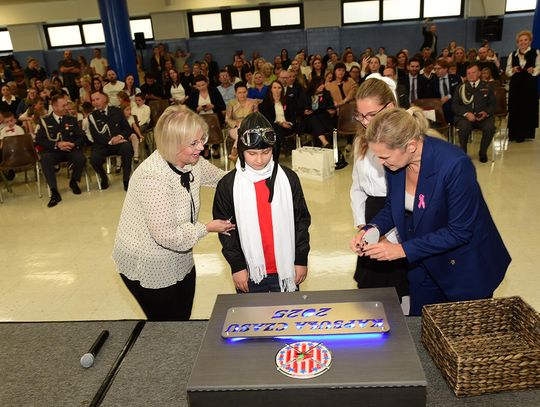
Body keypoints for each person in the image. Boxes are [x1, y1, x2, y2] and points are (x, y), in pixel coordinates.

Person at [350, 107, 510, 315]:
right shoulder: (395, 163)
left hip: (465, 267)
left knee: (463, 329)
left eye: (384, 156)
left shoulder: (455, 165)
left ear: (410, 146)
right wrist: (371, 229)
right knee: (423, 323)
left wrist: (401, 250)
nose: (380, 162)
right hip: (423, 261)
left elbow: (459, 232)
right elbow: (393, 206)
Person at [113, 105, 234, 320]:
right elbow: (167, 236)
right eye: (194, 143)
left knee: (182, 317)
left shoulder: (193, 161)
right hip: (148, 261)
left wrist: (247, 163)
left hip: (180, 252)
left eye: (202, 139)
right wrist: (207, 228)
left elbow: (222, 179)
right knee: (167, 324)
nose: (201, 147)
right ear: (172, 143)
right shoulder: (153, 177)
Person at [213, 112, 310, 293]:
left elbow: (301, 222)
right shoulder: (228, 185)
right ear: (241, 150)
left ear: (274, 149)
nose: (259, 160)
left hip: (286, 268)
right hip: (250, 271)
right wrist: (237, 266)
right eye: (252, 153)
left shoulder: (289, 178)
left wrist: (301, 259)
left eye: (266, 152)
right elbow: (226, 231)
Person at [350, 77, 409, 311]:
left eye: (371, 115)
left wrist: (389, 238)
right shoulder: (360, 141)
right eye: (360, 116)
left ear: (390, 107)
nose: (365, 122)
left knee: (400, 286)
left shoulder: (404, 142)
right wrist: (362, 225)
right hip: (373, 214)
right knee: (371, 286)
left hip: (399, 215)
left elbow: (406, 198)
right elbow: (356, 186)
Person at [35, 95, 87, 207]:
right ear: (54, 107)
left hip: (69, 149)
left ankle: (74, 181)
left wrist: (74, 144)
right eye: (63, 105)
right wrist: (57, 144)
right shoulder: (44, 121)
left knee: (80, 158)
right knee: (45, 159)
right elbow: (39, 140)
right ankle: (54, 191)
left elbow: (81, 137)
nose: (66, 107)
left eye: (66, 105)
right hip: (52, 151)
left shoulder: (71, 119)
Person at [88, 90, 133, 191]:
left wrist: (120, 136)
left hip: (118, 143)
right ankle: (104, 178)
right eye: (93, 100)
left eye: (97, 99)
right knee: (94, 159)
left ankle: (126, 180)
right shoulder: (92, 116)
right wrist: (110, 141)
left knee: (127, 148)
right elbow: (95, 135)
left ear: (105, 99)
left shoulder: (117, 111)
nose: (95, 102)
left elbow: (127, 129)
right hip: (102, 145)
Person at [452, 63, 496, 163]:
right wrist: (466, 114)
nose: (471, 75)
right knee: (464, 128)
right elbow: (454, 105)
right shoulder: (460, 87)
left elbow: (493, 105)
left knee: (490, 128)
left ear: (479, 73)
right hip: (465, 117)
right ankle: (463, 153)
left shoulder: (488, 87)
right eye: (468, 73)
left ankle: (483, 152)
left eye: (473, 72)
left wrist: (486, 112)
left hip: (483, 117)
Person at [505, 30, 540, 143]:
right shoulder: (512, 54)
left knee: (528, 107)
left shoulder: (536, 52)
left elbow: (539, 67)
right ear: (517, 42)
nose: (523, 42)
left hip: (529, 85)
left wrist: (533, 70)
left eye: (525, 40)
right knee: (515, 108)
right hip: (516, 86)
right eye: (520, 40)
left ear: (530, 41)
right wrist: (513, 70)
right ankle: (514, 134)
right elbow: (507, 71)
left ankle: (526, 133)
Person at [225, 82, 258, 161]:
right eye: (239, 93)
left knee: (242, 131)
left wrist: (246, 124)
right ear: (235, 93)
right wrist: (236, 124)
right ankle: (236, 152)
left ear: (247, 92)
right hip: (234, 128)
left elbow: (256, 117)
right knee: (240, 129)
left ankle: (234, 150)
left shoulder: (253, 102)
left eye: (244, 92)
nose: (242, 95)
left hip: (249, 128)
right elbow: (227, 119)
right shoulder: (231, 103)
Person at [302, 77, 335, 148]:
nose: (322, 86)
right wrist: (304, 112)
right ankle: (325, 143)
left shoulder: (326, 94)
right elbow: (299, 108)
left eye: (323, 84)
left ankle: (324, 143)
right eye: (320, 84)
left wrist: (330, 110)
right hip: (309, 122)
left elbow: (331, 107)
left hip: (323, 120)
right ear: (314, 85)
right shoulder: (306, 94)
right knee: (313, 117)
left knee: (316, 118)